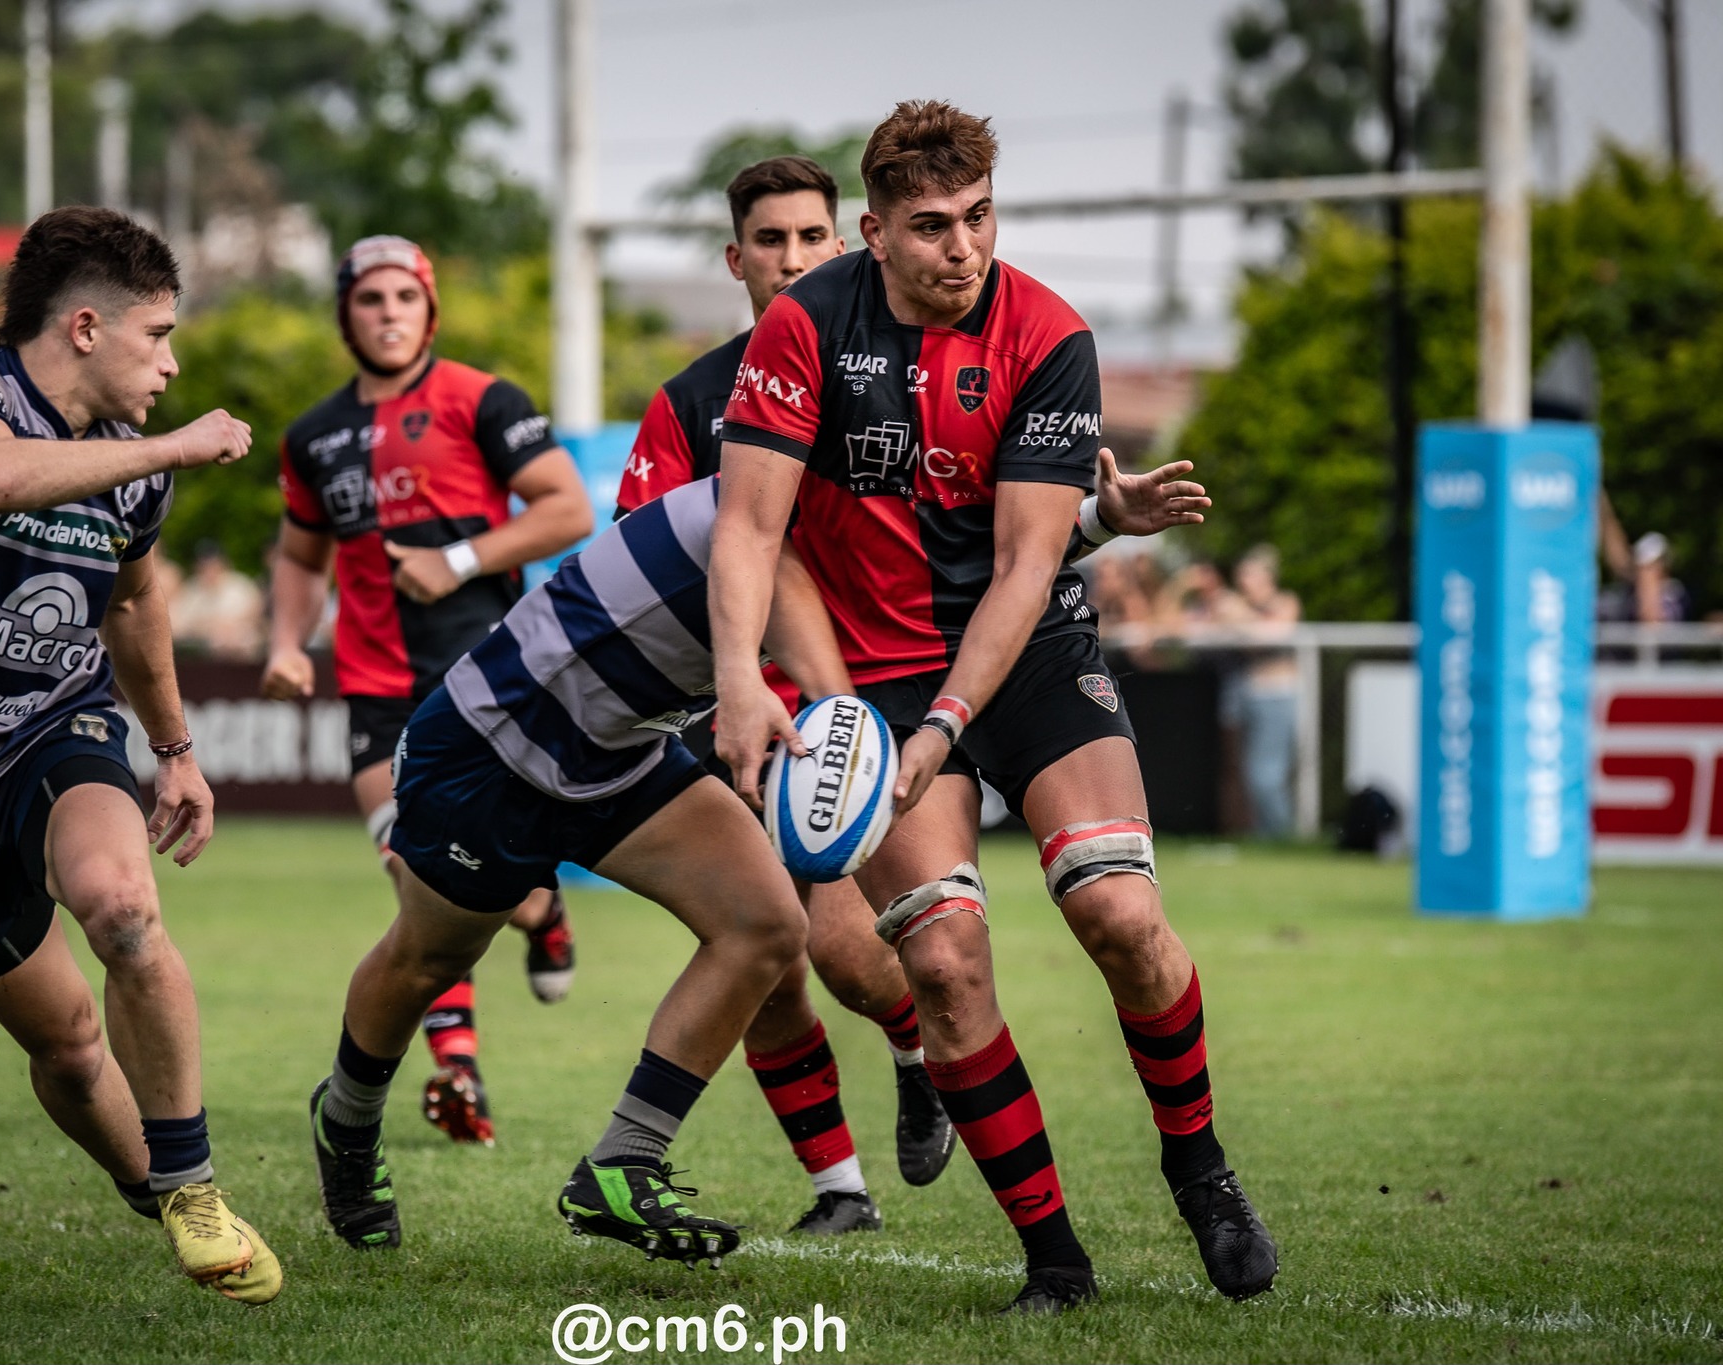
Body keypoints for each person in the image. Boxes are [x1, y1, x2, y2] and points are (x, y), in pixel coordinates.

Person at [709, 101, 1276, 1315]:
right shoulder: (804, 327)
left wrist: (948, 724)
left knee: (1118, 913)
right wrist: (739, 685)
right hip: (876, 681)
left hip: (1019, 659)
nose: (960, 247)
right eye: (928, 227)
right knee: (945, 962)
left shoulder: (1047, 334)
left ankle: (1201, 1167)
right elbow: (747, 528)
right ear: (871, 231)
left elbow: (1029, 565)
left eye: (976, 218)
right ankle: (1054, 1261)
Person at [0, 205, 280, 1304]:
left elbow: (134, 603)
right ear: (85, 326)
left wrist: (174, 750)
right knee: (73, 1047)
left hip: (56, 719)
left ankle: (190, 1184)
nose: (174, 366)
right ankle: (151, 1185)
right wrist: (178, 445)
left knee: (124, 911)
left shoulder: (134, 468)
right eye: (159, 336)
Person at [307, 476, 842, 1266]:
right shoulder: (751, 499)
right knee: (431, 956)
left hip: (624, 758)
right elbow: (810, 638)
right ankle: (346, 1121)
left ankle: (623, 1162)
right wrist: (844, 722)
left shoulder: (847, 520)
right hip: (493, 743)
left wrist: (1087, 524)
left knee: (763, 924)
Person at [620, 155, 951, 1236]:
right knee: (757, 956)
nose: (793, 259)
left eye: (812, 238)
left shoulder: (901, 376)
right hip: (734, 712)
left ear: (846, 244)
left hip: (857, 707)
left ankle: (916, 1053)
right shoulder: (689, 404)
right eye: (770, 241)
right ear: (736, 260)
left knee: (849, 955)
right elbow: (647, 553)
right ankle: (838, 1191)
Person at [262, 235, 594, 1147]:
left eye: (404, 296)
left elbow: (567, 508)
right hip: (376, 691)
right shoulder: (313, 436)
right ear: (347, 316)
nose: (388, 313)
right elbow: (299, 555)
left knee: (489, 878)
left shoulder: (484, 400)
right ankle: (459, 1068)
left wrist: (457, 561)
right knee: (415, 876)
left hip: (488, 682)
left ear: (430, 308)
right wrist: (287, 640)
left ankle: (540, 908)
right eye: (369, 299)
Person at [1225, 545, 1301, 838]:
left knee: (1267, 775)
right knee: (1248, 772)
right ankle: (1264, 836)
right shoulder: (1237, 605)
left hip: (1278, 696)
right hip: (1247, 696)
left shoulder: (1285, 601)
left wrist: (1242, 621)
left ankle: (1284, 837)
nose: (1244, 581)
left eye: (1250, 574)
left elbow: (1274, 634)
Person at [169, 540, 266, 660]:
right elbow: (178, 624)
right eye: (204, 565)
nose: (209, 569)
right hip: (202, 651)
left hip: (240, 646)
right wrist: (209, 628)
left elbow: (255, 615)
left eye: (213, 563)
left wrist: (231, 629)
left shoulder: (241, 585)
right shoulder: (191, 590)